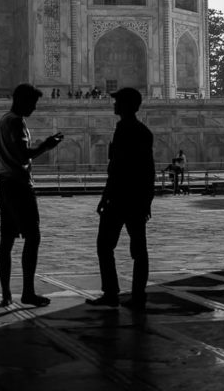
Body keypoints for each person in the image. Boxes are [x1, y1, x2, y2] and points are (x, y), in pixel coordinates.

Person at [0, 82, 64, 308]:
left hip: (4, 183)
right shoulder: (16, 122)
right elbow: (25, 156)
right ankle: (28, 292)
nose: (34, 108)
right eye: (32, 103)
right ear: (22, 101)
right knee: (32, 237)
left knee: (6, 240)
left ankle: (6, 294)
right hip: (18, 185)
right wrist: (47, 145)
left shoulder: (4, 120)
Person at [87, 87, 155, 312]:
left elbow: (139, 170)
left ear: (127, 105)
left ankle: (118, 293)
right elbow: (119, 168)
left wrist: (144, 202)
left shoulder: (134, 132)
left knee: (117, 247)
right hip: (128, 198)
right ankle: (132, 295)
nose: (113, 105)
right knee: (129, 248)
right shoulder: (136, 130)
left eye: (117, 101)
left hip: (124, 198)